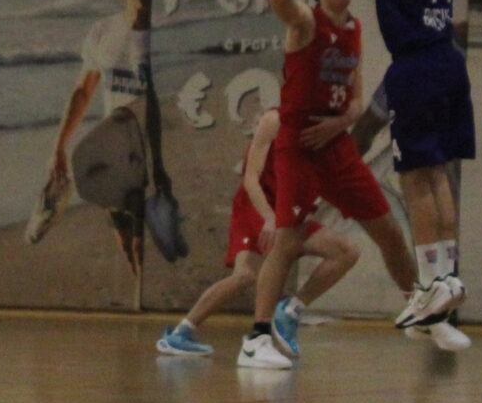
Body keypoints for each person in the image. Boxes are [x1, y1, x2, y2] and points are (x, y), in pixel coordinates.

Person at [234, 0, 441, 369]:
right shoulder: (306, 22)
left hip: (336, 146)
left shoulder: (354, 29)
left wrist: (343, 122)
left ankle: (420, 309)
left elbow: (355, 101)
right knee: (287, 240)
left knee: (388, 231)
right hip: (299, 143)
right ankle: (256, 337)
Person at [336, 0, 471, 331]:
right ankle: (447, 279)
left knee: (413, 178)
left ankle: (433, 284)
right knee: (438, 175)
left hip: (416, 66)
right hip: (449, 63)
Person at [154, 103, 362, 357]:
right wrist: (269, 217)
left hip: (289, 211)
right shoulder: (274, 120)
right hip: (257, 207)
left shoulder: (324, 131)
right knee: (245, 276)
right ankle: (181, 333)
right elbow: (251, 178)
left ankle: (292, 309)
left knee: (346, 251)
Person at [27, 0, 179, 286]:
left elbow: (156, 101)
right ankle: (139, 285)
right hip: (111, 142)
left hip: (145, 143)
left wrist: (159, 162)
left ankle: (145, 292)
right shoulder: (103, 30)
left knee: (141, 236)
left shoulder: (160, 34)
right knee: (122, 233)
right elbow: (83, 91)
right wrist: (59, 147)